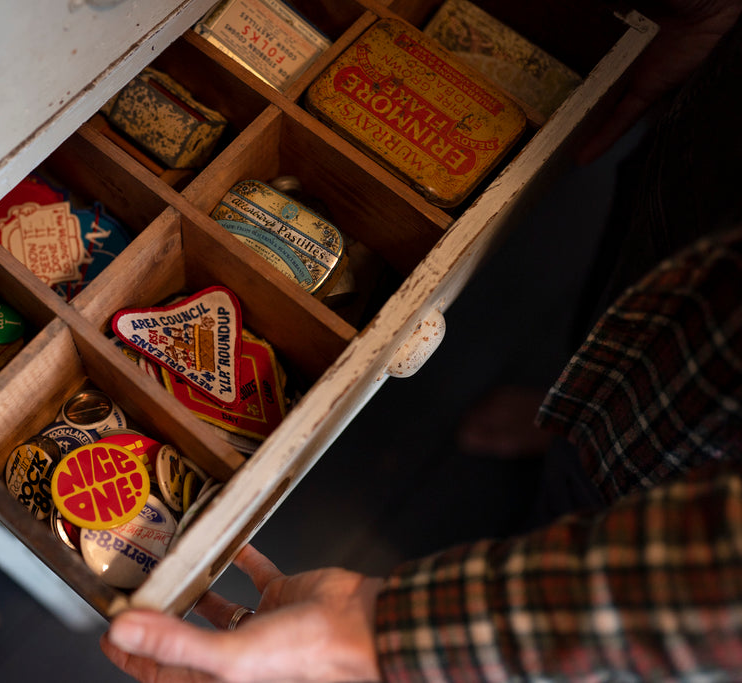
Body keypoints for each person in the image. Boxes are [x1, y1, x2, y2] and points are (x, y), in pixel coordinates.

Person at [101, 2, 742, 680]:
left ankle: (583, 453)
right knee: (627, 310)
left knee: (606, 484)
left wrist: (382, 633)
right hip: (711, 185)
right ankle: (575, 416)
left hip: (699, 456)